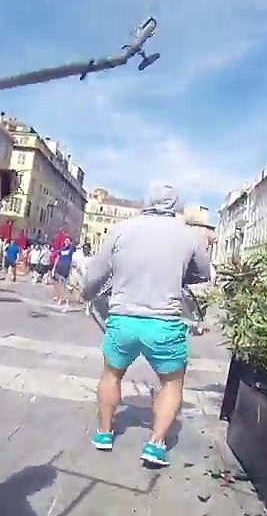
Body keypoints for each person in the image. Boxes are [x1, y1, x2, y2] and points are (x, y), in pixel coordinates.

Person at [80, 184, 210, 468]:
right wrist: (178, 274)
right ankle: (155, 444)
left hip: (123, 319)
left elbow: (96, 273)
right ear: (175, 205)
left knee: (111, 374)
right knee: (171, 383)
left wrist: (87, 293)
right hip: (165, 323)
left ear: (146, 201)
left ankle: (104, 433)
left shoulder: (122, 230)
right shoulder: (188, 235)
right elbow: (203, 274)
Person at [52, 238, 76, 307]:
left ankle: (67, 301)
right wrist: (54, 267)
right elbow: (57, 258)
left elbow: (73, 253)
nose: (66, 242)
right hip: (60, 267)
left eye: (68, 241)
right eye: (65, 241)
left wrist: (71, 269)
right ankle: (60, 298)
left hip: (66, 268)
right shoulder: (61, 249)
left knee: (66, 285)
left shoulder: (71, 249)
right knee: (60, 284)